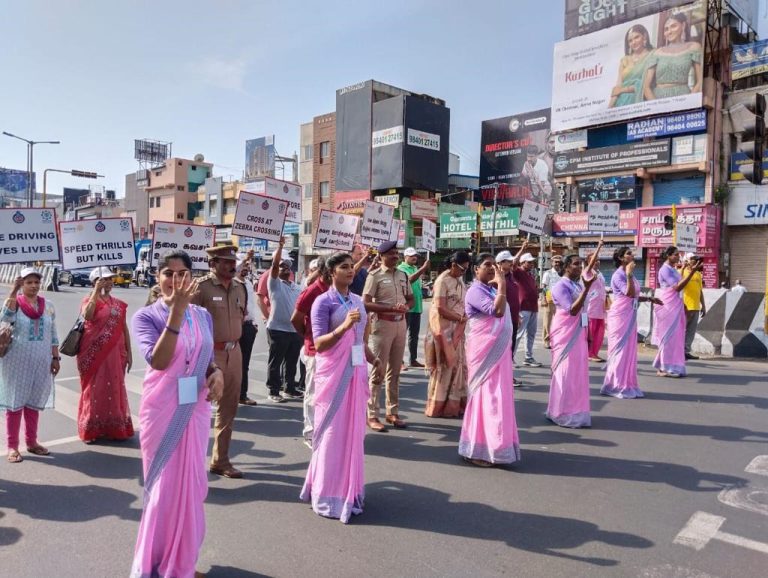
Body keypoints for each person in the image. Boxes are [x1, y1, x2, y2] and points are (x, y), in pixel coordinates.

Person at [130, 249, 224, 578]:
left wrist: (217, 374)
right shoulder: (147, 316)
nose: (175, 279)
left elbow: (206, 356)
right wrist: (175, 314)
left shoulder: (202, 315)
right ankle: (154, 563)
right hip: (163, 410)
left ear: (191, 277)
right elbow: (158, 361)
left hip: (195, 408)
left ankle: (182, 561)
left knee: (192, 486)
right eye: (168, 273)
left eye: (181, 272)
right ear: (158, 277)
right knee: (164, 488)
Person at [300, 252, 380, 523]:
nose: (350, 271)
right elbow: (319, 343)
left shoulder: (357, 300)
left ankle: (350, 489)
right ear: (331, 272)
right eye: (344, 267)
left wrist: (373, 359)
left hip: (355, 374)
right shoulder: (323, 301)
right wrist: (344, 326)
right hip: (332, 378)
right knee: (332, 433)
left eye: (350, 267)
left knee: (354, 433)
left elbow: (359, 339)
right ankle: (326, 492)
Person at [459, 253, 521, 467]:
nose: (492, 268)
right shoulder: (475, 291)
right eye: (487, 265)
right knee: (486, 397)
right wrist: (502, 283)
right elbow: (497, 311)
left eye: (494, 265)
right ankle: (476, 448)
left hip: (500, 352)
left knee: (499, 397)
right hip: (484, 354)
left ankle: (497, 445)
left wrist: (499, 286)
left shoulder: (491, 289)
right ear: (476, 269)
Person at [192, 244, 247, 479]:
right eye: (225, 261)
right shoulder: (201, 287)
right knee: (195, 409)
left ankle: (220, 460)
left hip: (233, 352)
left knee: (228, 410)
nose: (231, 265)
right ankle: (190, 462)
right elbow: (188, 321)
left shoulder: (240, 287)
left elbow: (242, 318)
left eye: (233, 260)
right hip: (206, 354)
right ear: (212, 264)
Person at [1, 268, 59, 463]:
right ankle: (12, 446)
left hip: (41, 362)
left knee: (33, 403)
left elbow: (53, 333)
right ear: (22, 284)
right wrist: (13, 290)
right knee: (15, 404)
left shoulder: (48, 305)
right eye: (29, 282)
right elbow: (5, 319)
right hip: (17, 362)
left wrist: (55, 357)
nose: (33, 285)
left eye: (36, 282)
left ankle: (32, 442)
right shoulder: (14, 303)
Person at [76, 266, 134, 444]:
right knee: (94, 389)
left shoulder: (118, 304)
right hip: (94, 353)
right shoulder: (88, 299)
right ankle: (92, 427)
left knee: (114, 388)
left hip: (116, 353)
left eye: (110, 279)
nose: (108, 282)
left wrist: (129, 352)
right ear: (94, 281)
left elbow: (123, 328)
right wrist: (95, 292)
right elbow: (88, 315)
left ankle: (113, 427)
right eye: (104, 279)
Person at [363, 240, 413, 432]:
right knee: (378, 370)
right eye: (391, 253)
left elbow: (410, 298)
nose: (395, 256)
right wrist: (390, 307)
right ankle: (372, 414)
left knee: (395, 371)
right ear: (382, 256)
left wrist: (406, 307)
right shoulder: (374, 276)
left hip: (400, 324)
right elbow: (365, 303)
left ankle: (392, 412)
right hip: (382, 325)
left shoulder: (403, 275)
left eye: (396, 252)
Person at [602, 247, 663, 399]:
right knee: (619, 351)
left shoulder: (631, 275)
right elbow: (628, 293)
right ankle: (614, 384)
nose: (632, 255)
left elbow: (634, 296)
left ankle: (626, 383)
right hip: (620, 317)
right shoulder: (618, 275)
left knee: (629, 351)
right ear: (621, 258)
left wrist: (649, 299)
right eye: (629, 253)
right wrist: (628, 274)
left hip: (630, 315)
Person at [547, 255, 596, 428]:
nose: (579, 267)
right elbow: (572, 310)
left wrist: (587, 332)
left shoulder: (578, 284)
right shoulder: (560, 286)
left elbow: (583, 311)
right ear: (567, 267)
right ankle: (559, 410)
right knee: (565, 371)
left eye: (580, 264)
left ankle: (576, 408)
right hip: (565, 333)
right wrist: (586, 289)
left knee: (577, 371)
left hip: (578, 332)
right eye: (576, 264)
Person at [424, 251, 469, 418]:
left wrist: (461, 320)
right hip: (443, 330)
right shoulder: (442, 280)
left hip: (458, 328)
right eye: (462, 269)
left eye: (466, 269)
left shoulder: (459, 280)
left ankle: (454, 406)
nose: (464, 272)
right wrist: (459, 318)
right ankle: (437, 407)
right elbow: (440, 308)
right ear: (453, 265)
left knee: (458, 367)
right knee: (444, 367)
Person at [291, 257, 330, 447]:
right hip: (314, 351)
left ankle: (325, 429)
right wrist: (308, 336)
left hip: (331, 351)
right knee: (313, 394)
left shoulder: (334, 289)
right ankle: (310, 433)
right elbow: (296, 318)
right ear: (325, 271)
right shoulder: (312, 291)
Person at [652, 246, 702, 378]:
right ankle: (662, 368)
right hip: (668, 305)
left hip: (676, 304)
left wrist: (684, 304)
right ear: (668, 256)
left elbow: (679, 285)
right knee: (667, 337)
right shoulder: (664, 269)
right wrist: (692, 272)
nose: (678, 257)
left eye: (678, 254)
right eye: (675, 255)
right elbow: (677, 287)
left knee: (676, 337)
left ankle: (670, 366)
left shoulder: (673, 269)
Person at [265, 237, 303, 403]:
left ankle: (289, 388)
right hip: (277, 329)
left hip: (294, 330)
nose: (285, 267)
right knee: (276, 362)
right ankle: (274, 390)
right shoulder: (274, 284)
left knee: (291, 362)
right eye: (282, 265)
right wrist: (280, 247)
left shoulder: (296, 286)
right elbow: (274, 265)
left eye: (287, 265)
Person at [643, 13, 702, 101]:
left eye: (673, 26)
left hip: (683, 97)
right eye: (666, 29)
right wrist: (655, 105)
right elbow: (646, 87)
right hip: (657, 98)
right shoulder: (657, 53)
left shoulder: (693, 47)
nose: (669, 31)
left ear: (683, 25)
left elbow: (700, 80)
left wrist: (690, 100)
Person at [495, 241, 529, 385]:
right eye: (508, 261)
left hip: (514, 318)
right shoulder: (497, 278)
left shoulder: (511, 276)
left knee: (510, 349)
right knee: (503, 349)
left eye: (511, 261)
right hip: (502, 320)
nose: (511, 263)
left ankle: (507, 375)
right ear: (501, 263)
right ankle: (502, 376)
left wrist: (518, 314)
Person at [398, 247, 431, 368]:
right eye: (411, 256)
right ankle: (399, 361)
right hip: (406, 307)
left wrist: (420, 269)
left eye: (415, 255)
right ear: (405, 257)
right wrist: (423, 269)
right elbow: (409, 280)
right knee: (401, 335)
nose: (414, 257)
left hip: (417, 307)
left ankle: (413, 359)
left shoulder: (415, 268)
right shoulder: (401, 269)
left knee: (414, 335)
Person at [609, 24, 654, 108]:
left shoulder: (652, 55)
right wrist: (609, 108)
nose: (634, 42)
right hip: (621, 102)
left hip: (641, 101)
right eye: (630, 41)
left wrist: (623, 89)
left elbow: (648, 85)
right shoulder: (625, 60)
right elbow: (618, 86)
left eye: (637, 37)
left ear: (644, 36)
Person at [237, 253, 259, 406]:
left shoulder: (248, 284)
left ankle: (242, 395)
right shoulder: (232, 283)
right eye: (243, 265)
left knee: (244, 364)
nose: (245, 267)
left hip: (249, 327)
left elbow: (251, 306)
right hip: (234, 328)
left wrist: (255, 324)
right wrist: (245, 257)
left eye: (247, 265)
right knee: (230, 364)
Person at [513, 253, 542, 367]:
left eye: (532, 262)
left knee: (531, 334)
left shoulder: (530, 275)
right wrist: (522, 250)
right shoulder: (518, 272)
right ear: (522, 262)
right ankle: (510, 358)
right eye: (529, 262)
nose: (531, 264)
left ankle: (528, 357)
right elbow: (513, 264)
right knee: (519, 334)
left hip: (533, 307)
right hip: (523, 307)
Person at [582, 244, 608, 363]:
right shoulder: (587, 272)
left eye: (598, 260)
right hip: (591, 308)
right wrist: (599, 246)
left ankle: (594, 353)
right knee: (590, 332)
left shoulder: (600, 274)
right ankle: (588, 352)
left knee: (600, 332)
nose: (597, 262)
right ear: (589, 261)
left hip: (600, 308)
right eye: (595, 260)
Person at [681, 253, 706, 360]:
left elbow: (700, 291)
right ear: (687, 260)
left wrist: (703, 306)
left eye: (695, 259)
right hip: (685, 306)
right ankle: (679, 350)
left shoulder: (698, 274)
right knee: (682, 329)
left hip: (695, 306)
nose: (695, 261)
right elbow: (678, 284)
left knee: (691, 331)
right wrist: (683, 268)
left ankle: (686, 351)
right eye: (692, 259)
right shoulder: (682, 272)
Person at [540, 254, 564, 350]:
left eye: (559, 262)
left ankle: (557, 339)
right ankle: (546, 340)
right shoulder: (548, 273)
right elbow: (544, 287)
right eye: (555, 262)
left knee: (560, 321)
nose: (557, 263)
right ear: (552, 263)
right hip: (550, 299)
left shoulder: (563, 273)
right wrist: (544, 298)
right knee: (548, 322)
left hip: (561, 300)